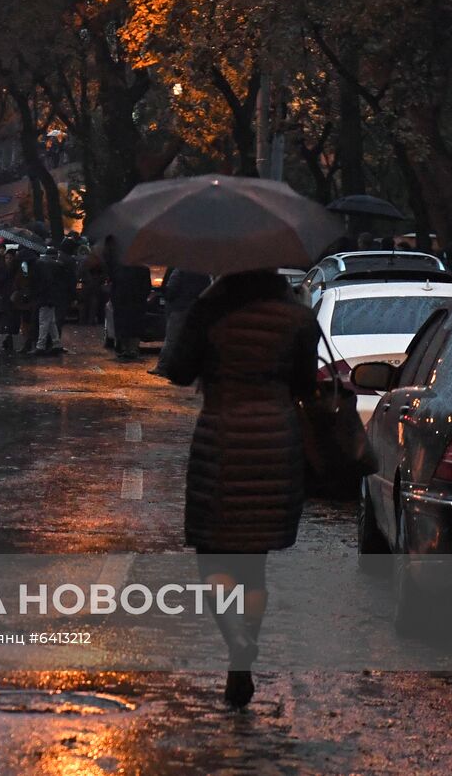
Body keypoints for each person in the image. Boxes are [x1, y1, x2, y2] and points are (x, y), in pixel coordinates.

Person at [161, 269, 318, 709]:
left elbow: (175, 368)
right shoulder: (297, 316)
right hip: (275, 443)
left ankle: (235, 635)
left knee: (212, 557)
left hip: (222, 441)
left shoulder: (212, 309)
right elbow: (307, 385)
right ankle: (240, 660)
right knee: (254, 565)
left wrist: (204, 315)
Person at [151, 268, 212, 377]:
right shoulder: (204, 272)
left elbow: (171, 291)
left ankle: (163, 366)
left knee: (171, 339)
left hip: (179, 308)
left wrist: (164, 291)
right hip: (195, 309)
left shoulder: (180, 270)